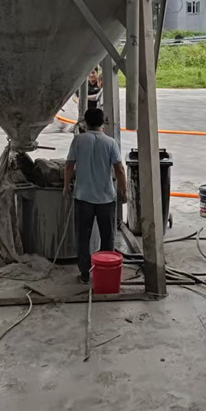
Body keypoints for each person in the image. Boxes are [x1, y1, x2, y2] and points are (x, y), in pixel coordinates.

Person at [63, 107, 127, 283]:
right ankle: (105, 272)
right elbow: (119, 169)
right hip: (106, 198)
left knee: (83, 237)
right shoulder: (110, 142)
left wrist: (66, 186)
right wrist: (124, 190)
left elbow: (69, 165)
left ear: (85, 122)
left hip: (83, 197)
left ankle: (84, 273)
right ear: (102, 122)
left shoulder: (78, 141)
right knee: (108, 237)